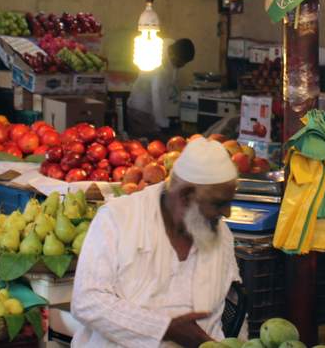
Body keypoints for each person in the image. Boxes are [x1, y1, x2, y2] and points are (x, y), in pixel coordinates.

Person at [72, 139, 242, 347]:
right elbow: (87, 301)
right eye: (219, 203)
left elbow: (231, 304)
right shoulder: (118, 218)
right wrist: (165, 329)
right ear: (186, 197)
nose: (227, 213)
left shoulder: (221, 234)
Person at [128, 38, 195, 137]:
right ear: (173, 55)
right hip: (141, 111)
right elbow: (157, 96)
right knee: (149, 145)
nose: (181, 66)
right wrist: (165, 124)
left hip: (150, 110)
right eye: (180, 62)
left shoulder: (170, 46)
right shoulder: (159, 67)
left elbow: (170, 87)